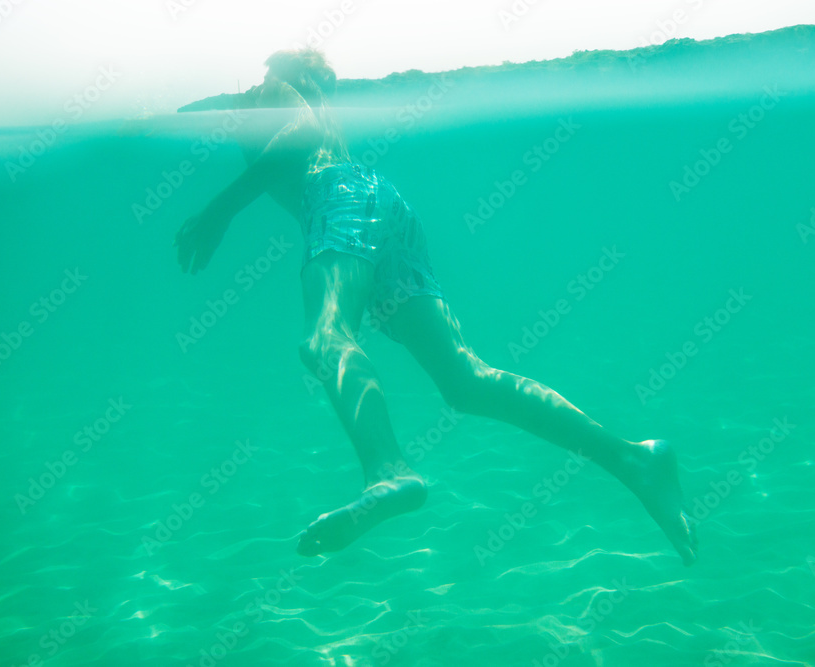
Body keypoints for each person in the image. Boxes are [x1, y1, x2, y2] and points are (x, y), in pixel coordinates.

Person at [174, 48, 698, 566]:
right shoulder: (312, 105)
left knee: (325, 338)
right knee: (466, 380)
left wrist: (216, 212)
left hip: (336, 200)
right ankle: (632, 457)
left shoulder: (275, 89)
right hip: (385, 204)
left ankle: (388, 470)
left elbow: (296, 141)